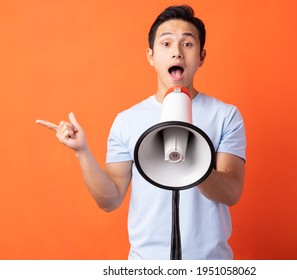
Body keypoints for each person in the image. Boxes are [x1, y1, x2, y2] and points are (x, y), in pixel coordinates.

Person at [36, 5, 246, 260]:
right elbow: (110, 199)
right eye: (166, 43)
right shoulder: (127, 121)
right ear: (151, 56)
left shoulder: (225, 115)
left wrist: (191, 163)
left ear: (201, 56)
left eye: (187, 44)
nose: (177, 53)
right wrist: (82, 152)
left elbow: (231, 192)